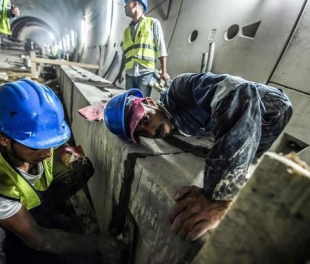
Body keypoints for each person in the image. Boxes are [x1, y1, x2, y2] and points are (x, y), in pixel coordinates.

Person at [0, 79, 122, 263]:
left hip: (15, 195)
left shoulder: (29, 134)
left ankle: (41, 213)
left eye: (49, 142)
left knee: (79, 169)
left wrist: (71, 155)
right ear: (3, 140)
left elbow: (58, 143)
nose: (47, 153)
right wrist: (97, 243)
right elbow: (37, 239)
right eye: (36, 146)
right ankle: (18, 225)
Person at [104, 72, 293, 241]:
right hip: (251, 115)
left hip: (271, 107)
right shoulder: (172, 126)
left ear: (151, 103)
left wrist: (218, 196)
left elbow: (242, 93)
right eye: (142, 133)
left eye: (145, 120)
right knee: (243, 164)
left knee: (237, 169)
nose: (151, 131)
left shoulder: (182, 89)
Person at [114, 0, 169, 97]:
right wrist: (120, 73)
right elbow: (125, 55)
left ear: (135, 4)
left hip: (146, 73)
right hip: (129, 73)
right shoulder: (126, 32)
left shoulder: (153, 23)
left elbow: (161, 49)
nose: (124, 6)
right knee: (129, 103)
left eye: (127, 3)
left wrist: (164, 72)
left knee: (141, 105)